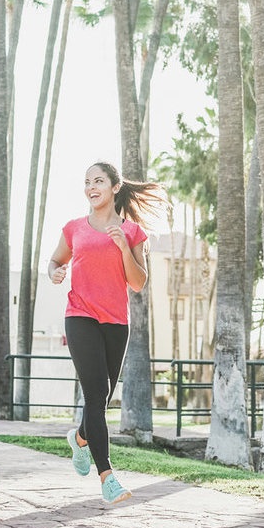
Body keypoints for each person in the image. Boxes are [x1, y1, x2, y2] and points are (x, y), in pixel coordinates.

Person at [48, 161, 166, 504]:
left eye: (98, 181)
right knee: (96, 392)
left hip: (116, 322)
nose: (91, 187)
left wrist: (122, 248)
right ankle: (107, 477)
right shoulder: (74, 228)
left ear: (115, 187)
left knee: (101, 398)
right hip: (80, 315)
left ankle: (81, 439)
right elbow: (55, 261)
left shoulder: (132, 233)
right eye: (87, 182)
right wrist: (54, 272)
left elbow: (138, 282)